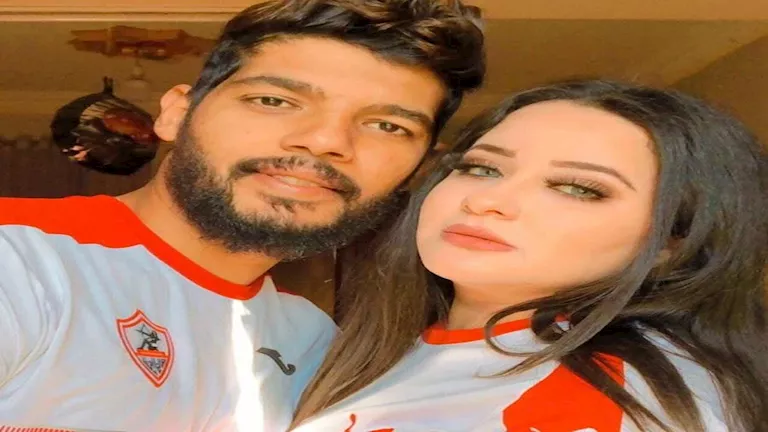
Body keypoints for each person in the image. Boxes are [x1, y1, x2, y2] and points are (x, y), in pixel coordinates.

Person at [0, 1, 485, 431]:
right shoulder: (20, 258)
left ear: (419, 168)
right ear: (176, 113)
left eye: (387, 125)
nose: (325, 141)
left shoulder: (314, 343)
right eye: (274, 101)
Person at [291, 80, 768, 432]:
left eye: (578, 188)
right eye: (481, 168)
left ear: (671, 244)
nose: (488, 200)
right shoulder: (357, 348)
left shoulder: (632, 391)